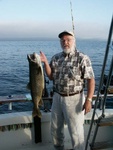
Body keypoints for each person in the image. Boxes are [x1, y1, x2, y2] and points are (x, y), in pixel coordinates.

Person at [40, 31, 95, 150]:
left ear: (73, 41)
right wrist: (45, 63)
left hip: (74, 99)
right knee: (55, 130)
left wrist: (89, 100)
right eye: (63, 40)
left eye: (68, 40)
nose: (65, 42)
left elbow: (91, 80)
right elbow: (51, 76)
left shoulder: (82, 58)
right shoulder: (56, 57)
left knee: (76, 132)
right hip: (57, 97)